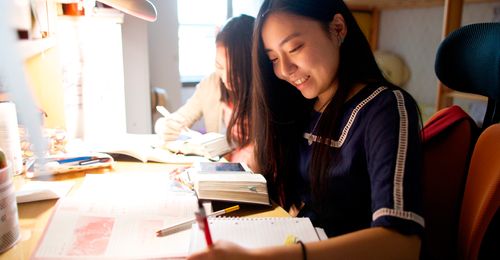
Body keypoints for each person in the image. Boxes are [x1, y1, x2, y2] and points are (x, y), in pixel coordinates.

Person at [188, 0, 424, 259]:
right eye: (274, 59)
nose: (285, 70)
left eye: (295, 48)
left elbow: (403, 243)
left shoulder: (385, 108)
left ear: (337, 28)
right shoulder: (299, 107)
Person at [155, 14, 255, 169]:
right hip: (220, 177)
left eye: (236, 71)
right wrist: (164, 126)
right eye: (219, 66)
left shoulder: (265, 94)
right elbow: (180, 117)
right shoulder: (210, 85)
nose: (226, 78)